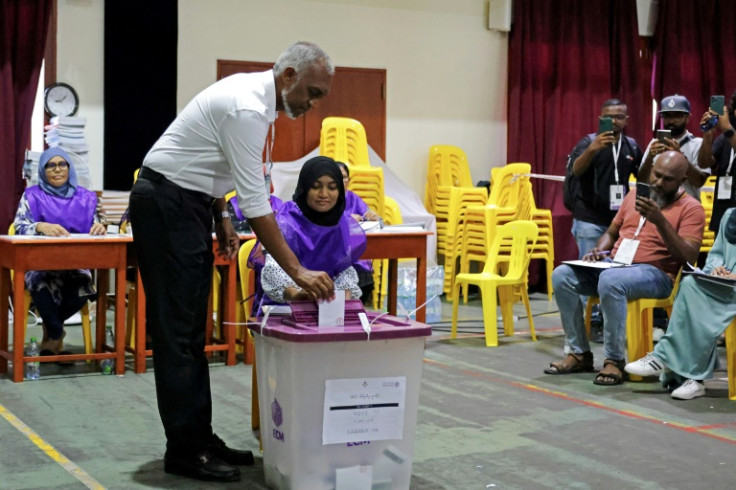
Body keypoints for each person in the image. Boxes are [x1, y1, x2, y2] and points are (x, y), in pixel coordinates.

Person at [129, 41, 336, 483]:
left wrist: (220, 213)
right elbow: (256, 202)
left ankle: (199, 438)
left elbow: (216, 164)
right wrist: (297, 270)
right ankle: (184, 451)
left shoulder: (260, 103)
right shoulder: (247, 107)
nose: (313, 105)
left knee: (191, 333)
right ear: (288, 78)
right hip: (166, 204)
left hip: (189, 203)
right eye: (313, 93)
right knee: (178, 335)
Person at [544, 152, 704, 386]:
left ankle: (614, 360)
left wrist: (660, 220)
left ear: (681, 181)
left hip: (656, 274)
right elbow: (611, 232)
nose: (659, 182)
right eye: (656, 175)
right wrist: (598, 250)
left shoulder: (691, 208)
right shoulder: (634, 196)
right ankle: (579, 353)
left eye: (667, 179)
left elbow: (689, 257)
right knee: (562, 275)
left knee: (611, 280)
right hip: (615, 264)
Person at [625, 207, 736, 400]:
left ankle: (672, 362)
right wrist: (716, 268)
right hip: (725, 285)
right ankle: (691, 377)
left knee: (697, 297)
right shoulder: (730, 215)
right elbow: (716, 253)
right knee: (690, 284)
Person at [13, 148, 106, 361]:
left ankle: (51, 331)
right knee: (40, 282)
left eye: (62, 164)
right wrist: (40, 226)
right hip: (40, 265)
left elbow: (97, 225)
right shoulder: (32, 195)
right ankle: (56, 332)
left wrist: (99, 227)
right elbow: (19, 227)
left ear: (70, 168)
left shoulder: (87, 198)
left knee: (84, 285)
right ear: (43, 170)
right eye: (50, 165)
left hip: (76, 264)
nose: (57, 169)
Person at [566, 99, 643, 342]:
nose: (615, 121)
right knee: (585, 277)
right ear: (600, 118)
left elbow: (643, 177)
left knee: (612, 275)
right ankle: (578, 334)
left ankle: (603, 324)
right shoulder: (588, 142)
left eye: (620, 117)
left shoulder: (631, 146)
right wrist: (592, 150)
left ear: (626, 119)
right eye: (609, 117)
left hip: (617, 224)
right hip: (589, 218)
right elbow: (575, 171)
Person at [259, 156, 365, 304]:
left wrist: (343, 297)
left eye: (332, 187)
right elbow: (273, 270)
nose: (324, 194)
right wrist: (296, 295)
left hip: (327, 307)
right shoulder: (285, 221)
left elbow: (344, 271)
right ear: (305, 187)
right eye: (315, 186)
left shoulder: (341, 223)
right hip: (284, 307)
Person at [639, 94, 708, 200]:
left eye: (677, 115)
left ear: (688, 118)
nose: (671, 120)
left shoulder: (698, 144)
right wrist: (649, 158)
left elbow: (699, 182)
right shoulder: (655, 143)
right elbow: (642, 180)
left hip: (686, 209)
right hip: (657, 207)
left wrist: (680, 156)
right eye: (667, 116)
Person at [335, 160, 378, 303]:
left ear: (349, 179)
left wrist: (373, 217)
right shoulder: (326, 199)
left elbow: (371, 217)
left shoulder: (354, 198)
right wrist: (347, 218)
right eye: (337, 176)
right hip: (336, 259)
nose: (341, 181)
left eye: (344, 177)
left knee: (364, 276)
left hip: (358, 259)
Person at [697, 90, 736, 234]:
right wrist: (707, 136)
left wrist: (727, 129)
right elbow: (704, 163)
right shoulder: (725, 138)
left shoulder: (729, 133)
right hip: (723, 215)